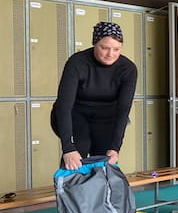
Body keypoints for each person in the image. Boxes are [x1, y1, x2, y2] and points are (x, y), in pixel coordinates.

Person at [51, 21, 138, 170]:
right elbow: (64, 106)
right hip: (75, 114)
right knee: (76, 156)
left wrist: (115, 148)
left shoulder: (128, 69)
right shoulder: (77, 62)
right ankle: (70, 191)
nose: (110, 54)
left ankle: (102, 193)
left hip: (106, 117)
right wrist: (68, 147)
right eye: (104, 48)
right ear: (94, 44)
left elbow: (123, 110)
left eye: (116, 49)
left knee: (105, 161)